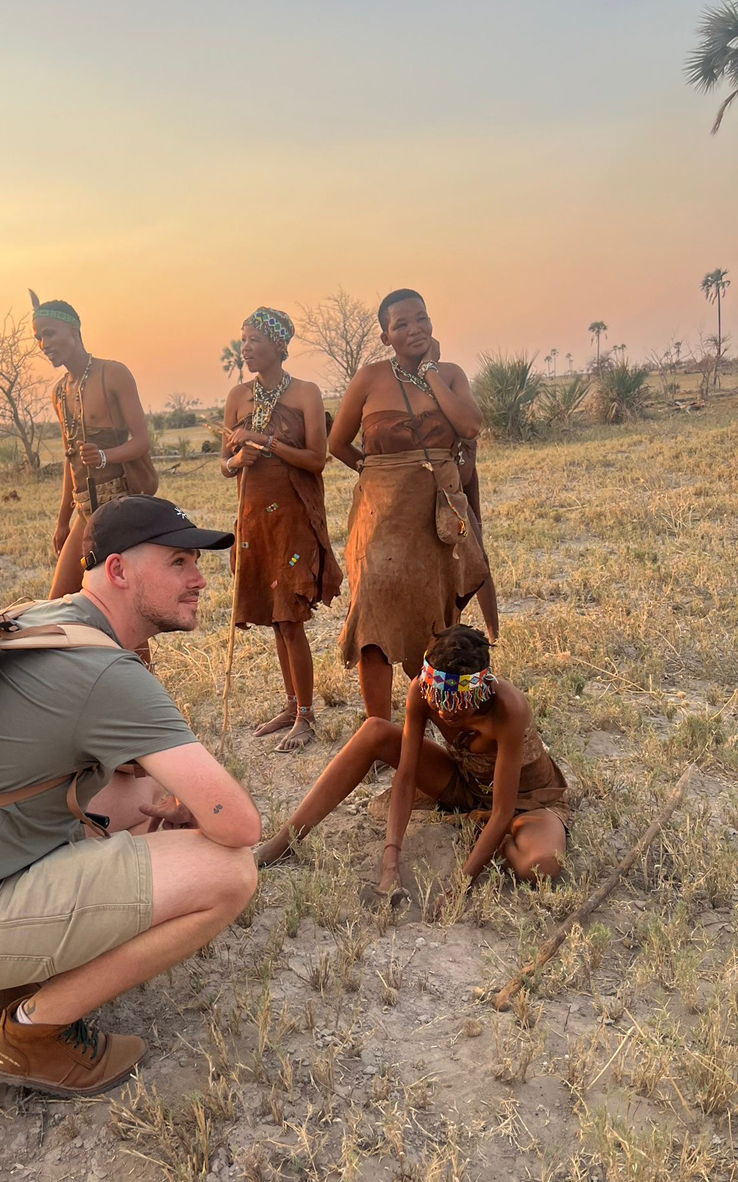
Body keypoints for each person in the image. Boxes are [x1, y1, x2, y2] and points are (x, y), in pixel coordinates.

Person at [0, 496, 260, 1098]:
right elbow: (238, 826)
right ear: (119, 571)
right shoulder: (108, 675)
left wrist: (169, 804)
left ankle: (2, 982)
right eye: (179, 561)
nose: (198, 578)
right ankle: (34, 1034)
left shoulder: (48, 618)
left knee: (143, 793)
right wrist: (198, 816)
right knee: (228, 872)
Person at [258, 625, 568, 906]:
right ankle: (287, 838)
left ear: (482, 689)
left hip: (526, 800)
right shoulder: (421, 690)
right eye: (439, 703)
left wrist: (461, 885)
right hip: (463, 783)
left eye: (460, 707)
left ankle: (496, 838)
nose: (447, 715)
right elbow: (405, 776)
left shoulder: (508, 708)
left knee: (540, 865)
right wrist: (389, 863)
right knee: (374, 731)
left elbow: (503, 809)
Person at [329, 289, 492, 720]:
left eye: (421, 319)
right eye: (401, 324)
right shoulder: (368, 377)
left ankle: (438, 713)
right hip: (381, 515)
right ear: (385, 335)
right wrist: (378, 475)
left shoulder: (451, 374)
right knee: (373, 611)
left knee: (436, 611)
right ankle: (378, 729)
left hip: (438, 513)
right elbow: (337, 443)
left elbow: (470, 425)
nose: (414, 328)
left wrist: (431, 371)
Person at [221, 307, 342, 751]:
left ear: (277, 344)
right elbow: (224, 465)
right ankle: (291, 705)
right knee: (274, 618)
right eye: (243, 339)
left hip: (293, 520)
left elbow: (317, 459)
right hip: (255, 521)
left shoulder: (307, 393)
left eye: (253, 339)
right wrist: (238, 459)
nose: (246, 347)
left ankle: (306, 715)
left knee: (291, 618)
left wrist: (268, 443)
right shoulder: (237, 396)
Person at [31, 292, 159, 600]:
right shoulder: (60, 392)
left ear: (74, 331)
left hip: (119, 507)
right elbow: (70, 461)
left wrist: (104, 456)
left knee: (124, 608)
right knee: (60, 602)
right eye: (38, 338)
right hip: (85, 511)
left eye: (50, 334)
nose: (44, 344)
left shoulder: (113, 374)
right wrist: (63, 520)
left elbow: (141, 442)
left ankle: (127, 653)